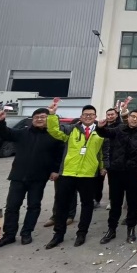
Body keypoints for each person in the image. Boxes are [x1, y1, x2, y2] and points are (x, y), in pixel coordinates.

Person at [0, 108, 64, 248]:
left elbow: (59, 155)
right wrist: (0, 121)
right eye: (36, 117)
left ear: (48, 119)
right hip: (18, 176)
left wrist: (55, 170)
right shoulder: (23, 133)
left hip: (39, 177)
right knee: (12, 206)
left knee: (33, 206)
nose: (39, 119)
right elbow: (3, 133)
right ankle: (9, 235)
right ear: (32, 119)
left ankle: (26, 233)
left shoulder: (54, 135)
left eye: (43, 117)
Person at [44, 101, 106, 248]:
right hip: (68, 173)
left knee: (87, 205)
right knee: (62, 205)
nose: (88, 117)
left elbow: (103, 152)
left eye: (91, 115)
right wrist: (52, 115)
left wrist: (102, 167)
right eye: (86, 114)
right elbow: (54, 131)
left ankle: (82, 233)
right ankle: (58, 234)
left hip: (88, 175)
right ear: (81, 116)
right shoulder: (71, 130)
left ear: (95, 116)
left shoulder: (100, 132)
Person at [96, 108, 137, 244]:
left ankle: (131, 229)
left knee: (132, 202)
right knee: (115, 201)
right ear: (129, 117)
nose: (135, 119)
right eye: (133, 116)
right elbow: (105, 133)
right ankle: (111, 229)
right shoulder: (119, 128)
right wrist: (100, 127)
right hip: (116, 171)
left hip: (133, 172)